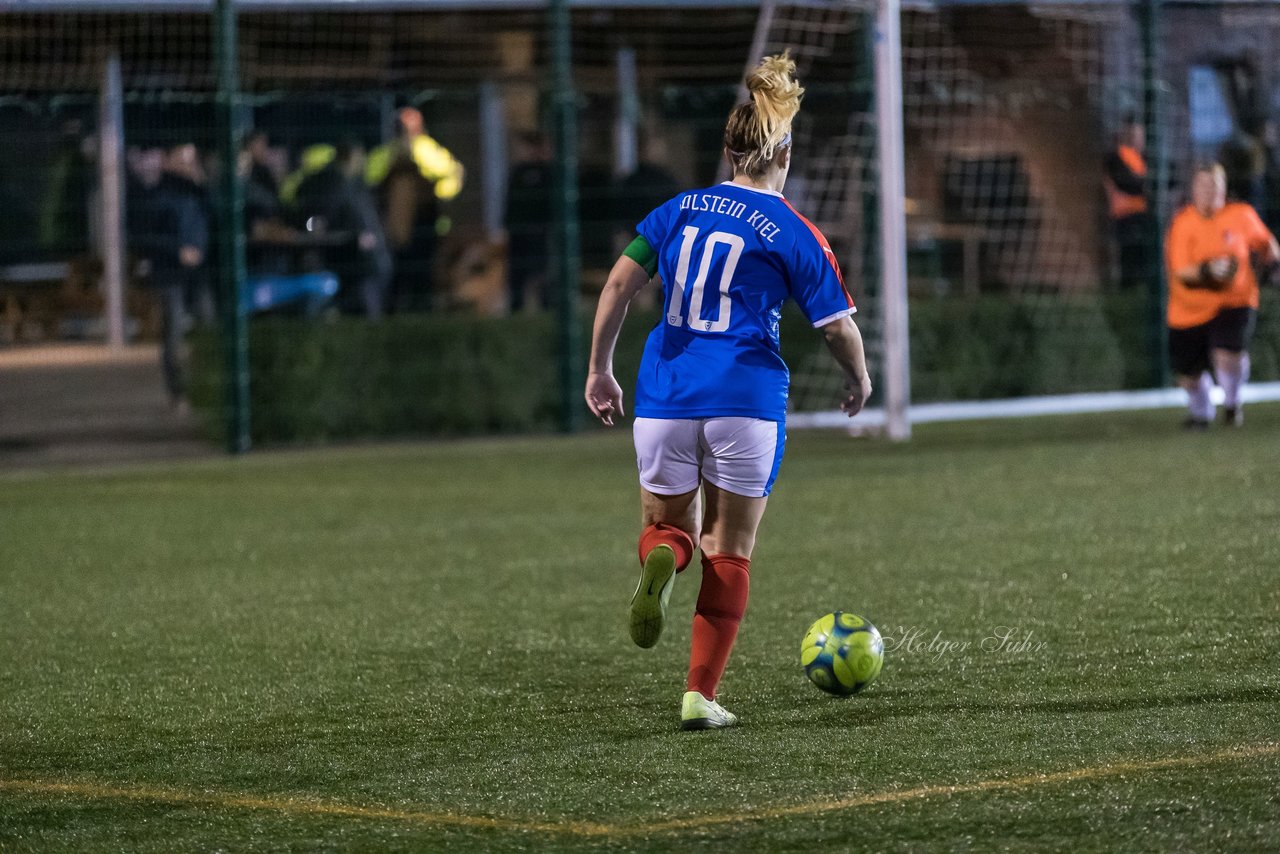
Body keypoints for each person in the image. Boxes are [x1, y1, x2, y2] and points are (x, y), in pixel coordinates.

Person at [584, 53, 872, 731]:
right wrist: (859, 379)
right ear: (786, 154)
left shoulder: (679, 209)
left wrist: (601, 367)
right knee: (729, 548)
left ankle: (660, 558)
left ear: (728, 149)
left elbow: (619, 285)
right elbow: (837, 328)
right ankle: (698, 694)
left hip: (665, 395)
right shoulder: (798, 233)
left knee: (667, 526)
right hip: (746, 400)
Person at [1164, 162, 1278, 429]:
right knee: (1188, 375)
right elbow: (1181, 273)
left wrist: (1274, 264)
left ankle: (1232, 402)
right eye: (1203, 185)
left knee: (1227, 353)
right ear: (1194, 189)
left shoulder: (1241, 214)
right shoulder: (1182, 224)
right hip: (1187, 309)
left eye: (1215, 185)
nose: (1210, 191)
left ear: (1224, 188)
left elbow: (1266, 243)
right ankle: (1201, 412)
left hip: (1234, 300)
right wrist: (1209, 269)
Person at [366, 107, 465, 312]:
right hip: (408, 225)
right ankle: (409, 311)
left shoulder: (396, 152)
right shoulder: (423, 150)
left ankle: (405, 311)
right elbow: (453, 176)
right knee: (412, 272)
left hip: (414, 223)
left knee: (408, 272)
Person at [1103, 117, 1154, 291]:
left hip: (1147, 216)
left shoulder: (1147, 157)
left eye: (1139, 134)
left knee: (1146, 255)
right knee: (1128, 255)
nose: (1136, 138)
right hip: (1125, 215)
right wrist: (1149, 184)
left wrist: (1145, 183)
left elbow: (1170, 177)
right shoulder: (1115, 157)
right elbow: (1126, 183)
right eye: (1132, 134)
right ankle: (1128, 289)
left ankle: (1144, 289)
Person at [504, 130, 552, 312]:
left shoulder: (548, 174)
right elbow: (510, 202)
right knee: (517, 274)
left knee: (543, 274)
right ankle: (516, 307)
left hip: (540, 233)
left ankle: (547, 307)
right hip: (518, 233)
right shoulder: (517, 173)